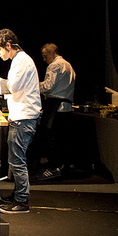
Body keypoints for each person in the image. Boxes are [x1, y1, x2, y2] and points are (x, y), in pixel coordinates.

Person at [0, 28, 42, 214]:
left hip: (24, 118)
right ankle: (18, 194)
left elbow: (12, 87)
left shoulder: (22, 61)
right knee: (15, 159)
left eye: (0, 49)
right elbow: (12, 87)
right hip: (22, 117)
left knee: (17, 161)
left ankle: (22, 201)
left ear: (8, 45)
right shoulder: (19, 61)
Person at [35, 43, 77, 181]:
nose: (44, 59)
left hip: (56, 106)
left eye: (45, 56)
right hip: (66, 107)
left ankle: (53, 168)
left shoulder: (54, 65)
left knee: (51, 137)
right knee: (61, 138)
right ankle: (62, 165)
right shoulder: (68, 65)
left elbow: (48, 86)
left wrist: (32, 85)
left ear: (52, 52)